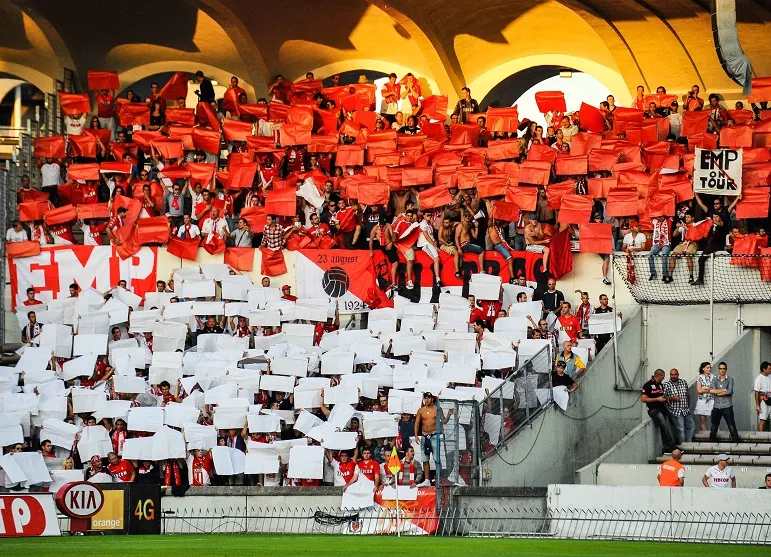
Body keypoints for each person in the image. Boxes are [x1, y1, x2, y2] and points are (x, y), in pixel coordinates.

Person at [414, 392, 452, 486]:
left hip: (435, 435)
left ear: (432, 399)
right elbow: (417, 423)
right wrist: (416, 435)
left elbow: (443, 421)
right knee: (425, 459)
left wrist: (449, 415)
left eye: (428, 398)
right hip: (424, 436)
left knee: (437, 458)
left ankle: (439, 478)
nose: (426, 400)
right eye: (425, 398)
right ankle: (427, 480)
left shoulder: (437, 409)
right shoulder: (420, 410)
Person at [641, 369, 677, 454]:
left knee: (666, 428)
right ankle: (672, 447)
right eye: (663, 377)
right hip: (654, 410)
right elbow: (643, 399)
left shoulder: (660, 385)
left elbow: (661, 396)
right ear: (660, 376)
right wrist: (657, 399)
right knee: (664, 426)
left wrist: (665, 398)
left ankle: (667, 448)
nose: (663, 379)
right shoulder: (648, 385)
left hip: (663, 408)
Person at [709, 362, 740, 442]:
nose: (722, 370)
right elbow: (711, 391)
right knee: (714, 427)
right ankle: (711, 443)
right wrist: (723, 390)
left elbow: (729, 391)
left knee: (731, 426)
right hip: (716, 407)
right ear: (719, 369)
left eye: (724, 368)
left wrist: (717, 392)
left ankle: (736, 443)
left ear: (726, 369)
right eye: (721, 368)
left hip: (727, 407)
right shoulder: (715, 379)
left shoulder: (730, 379)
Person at [663, 368, 694, 445]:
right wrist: (672, 398)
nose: (673, 376)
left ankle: (689, 444)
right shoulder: (666, 384)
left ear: (678, 374)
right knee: (681, 430)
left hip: (686, 409)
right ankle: (683, 447)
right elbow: (663, 398)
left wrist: (688, 406)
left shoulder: (683, 382)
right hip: (675, 411)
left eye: (674, 374)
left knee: (691, 426)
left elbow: (688, 395)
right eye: (671, 375)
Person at [695, 362, 714, 432]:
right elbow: (699, 390)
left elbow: (714, 389)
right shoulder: (700, 377)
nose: (709, 369)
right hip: (702, 400)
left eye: (710, 367)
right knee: (702, 419)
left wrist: (705, 388)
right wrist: (708, 389)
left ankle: (715, 433)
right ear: (703, 369)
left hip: (712, 399)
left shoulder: (714, 377)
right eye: (707, 368)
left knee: (714, 417)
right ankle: (704, 434)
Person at [754, 361, 771, 432]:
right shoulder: (758, 379)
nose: (770, 370)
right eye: (769, 369)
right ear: (764, 369)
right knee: (762, 420)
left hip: (770, 399)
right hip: (763, 400)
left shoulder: (770, 376)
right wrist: (757, 405)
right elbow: (756, 392)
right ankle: (760, 437)